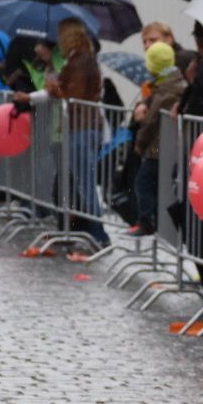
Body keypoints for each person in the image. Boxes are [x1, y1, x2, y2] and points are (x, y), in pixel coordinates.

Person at [47, 17, 108, 247]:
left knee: (85, 184)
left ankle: (99, 235)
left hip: (82, 127)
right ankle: (94, 232)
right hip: (82, 126)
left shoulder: (80, 61)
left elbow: (74, 97)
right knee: (83, 183)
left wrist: (56, 88)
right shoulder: (81, 59)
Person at [123, 40, 186, 235]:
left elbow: (150, 121)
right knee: (158, 185)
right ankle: (158, 223)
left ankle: (148, 222)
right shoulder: (172, 82)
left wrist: (140, 144)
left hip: (157, 148)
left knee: (143, 182)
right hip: (165, 146)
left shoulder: (165, 89)